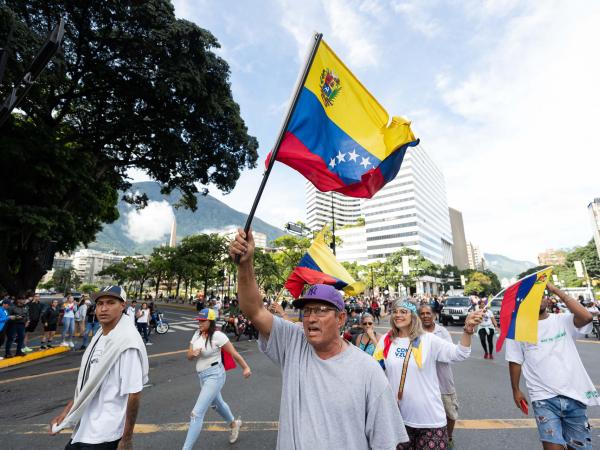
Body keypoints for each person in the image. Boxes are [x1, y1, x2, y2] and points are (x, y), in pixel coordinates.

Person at [230, 228, 409, 449]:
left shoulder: (368, 371)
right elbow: (254, 310)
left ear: (341, 318)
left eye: (321, 310)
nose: (311, 318)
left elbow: (385, 443)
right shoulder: (294, 342)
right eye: (307, 311)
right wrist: (245, 264)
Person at [374, 300, 482, 450]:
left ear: (413, 316)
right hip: (398, 420)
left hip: (430, 420)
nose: (398, 315)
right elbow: (375, 372)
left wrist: (468, 330)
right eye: (395, 312)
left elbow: (459, 354)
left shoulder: (427, 339)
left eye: (403, 312)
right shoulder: (386, 341)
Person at [50, 285, 149, 450]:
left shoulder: (127, 343)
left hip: (105, 435)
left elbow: (134, 394)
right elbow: (88, 383)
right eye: (100, 303)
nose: (103, 308)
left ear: (122, 306)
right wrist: (65, 413)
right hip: (84, 429)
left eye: (110, 303)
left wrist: (127, 439)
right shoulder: (100, 336)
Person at [506, 282, 597, 450]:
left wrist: (556, 290)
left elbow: (587, 317)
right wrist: (516, 390)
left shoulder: (563, 320)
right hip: (543, 398)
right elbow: (515, 361)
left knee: (580, 447)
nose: (538, 299)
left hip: (574, 395)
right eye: (532, 297)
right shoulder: (518, 327)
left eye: (541, 295)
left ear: (548, 300)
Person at [182, 308, 251, 449]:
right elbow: (188, 356)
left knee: (196, 413)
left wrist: (245, 367)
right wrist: (193, 354)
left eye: (203, 321)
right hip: (202, 377)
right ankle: (234, 424)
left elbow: (234, 353)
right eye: (198, 321)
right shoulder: (196, 334)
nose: (199, 323)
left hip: (215, 375)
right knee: (216, 404)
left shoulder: (217, 336)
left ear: (211, 321)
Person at [419, 304, 460, 449]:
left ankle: (448, 437)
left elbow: (450, 353)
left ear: (434, 315)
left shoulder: (442, 332)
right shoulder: (416, 333)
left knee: (450, 413)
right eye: (422, 313)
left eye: (428, 313)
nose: (425, 316)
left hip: (443, 380)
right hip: (424, 382)